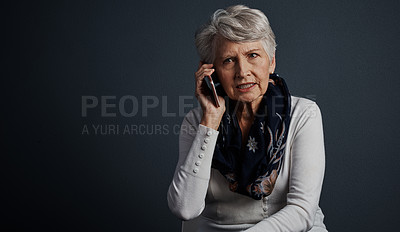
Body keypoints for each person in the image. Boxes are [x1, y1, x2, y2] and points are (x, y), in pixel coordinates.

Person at [167, 5, 327, 232]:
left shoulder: (304, 114)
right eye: (228, 61)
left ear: (271, 62)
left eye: (253, 55)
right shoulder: (196, 122)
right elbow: (184, 208)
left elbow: (302, 211)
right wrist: (210, 122)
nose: (242, 71)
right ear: (211, 72)